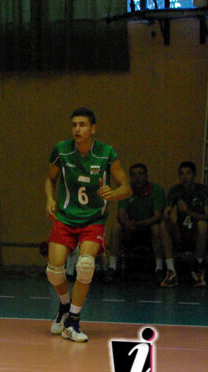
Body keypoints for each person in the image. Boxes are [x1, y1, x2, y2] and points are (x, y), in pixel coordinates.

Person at [45, 108, 131, 342]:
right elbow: (50, 179)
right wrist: (50, 198)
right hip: (65, 217)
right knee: (54, 272)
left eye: (82, 125)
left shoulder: (106, 153)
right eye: (74, 125)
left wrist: (113, 194)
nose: (77, 129)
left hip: (93, 220)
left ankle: (73, 321)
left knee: (85, 265)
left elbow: (126, 187)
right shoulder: (62, 150)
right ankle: (64, 306)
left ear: (93, 129)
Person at [104, 163, 166, 282]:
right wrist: (127, 223)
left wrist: (139, 224)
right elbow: (120, 215)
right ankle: (112, 267)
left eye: (140, 174)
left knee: (157, 228)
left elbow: (157, 216)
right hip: (132, 229)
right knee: (116, 227)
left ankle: (159, 268)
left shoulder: (157, 190)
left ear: (146, 176)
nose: (137, 177)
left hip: (148, 228)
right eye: (133, 175)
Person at [159, 161, 208, 288]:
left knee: (202, 225)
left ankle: (198, 270)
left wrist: (188, 212)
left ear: (194, 175)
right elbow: (166, 212)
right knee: (163, 225)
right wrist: (166, 215)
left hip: (197, 233)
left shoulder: (203, 191)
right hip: (181, 232)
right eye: (181, 174)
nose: (185, 177)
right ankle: (171, 271)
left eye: (188, 173)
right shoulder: (175, 191)